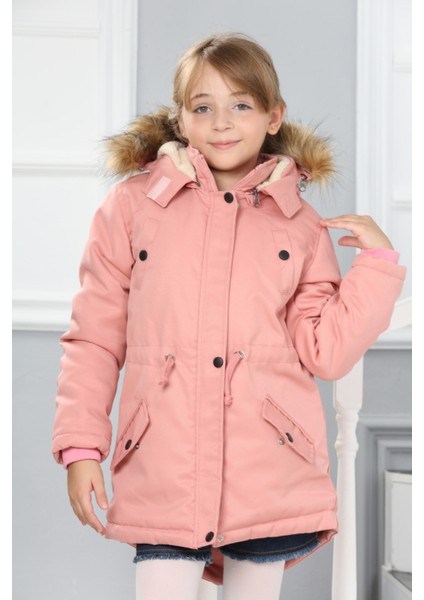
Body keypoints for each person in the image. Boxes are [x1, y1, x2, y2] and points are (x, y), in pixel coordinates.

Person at [52, 33, 406, 600]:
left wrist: (379, 267)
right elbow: (94, 337)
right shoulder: (132, 207)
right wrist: (81, 446)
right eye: (203, 107)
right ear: (180, 119)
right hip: (164, 460)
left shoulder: (299, 223)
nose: (221, 122)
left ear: (273, 116)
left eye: (241, 104)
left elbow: (327, 352)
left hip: (267, 466)